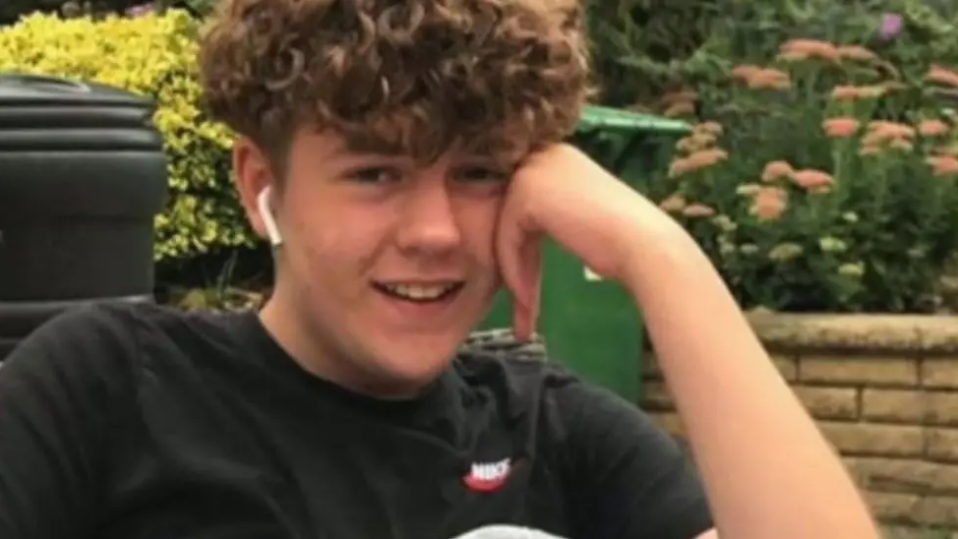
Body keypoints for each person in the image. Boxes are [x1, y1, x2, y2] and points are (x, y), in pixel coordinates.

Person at [0, 1, 880, 538]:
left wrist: (661, 256)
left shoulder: (549, 431)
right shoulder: (109, 386)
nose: (436, 232)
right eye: (376, 172)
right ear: (263, 185)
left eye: (479, 172)